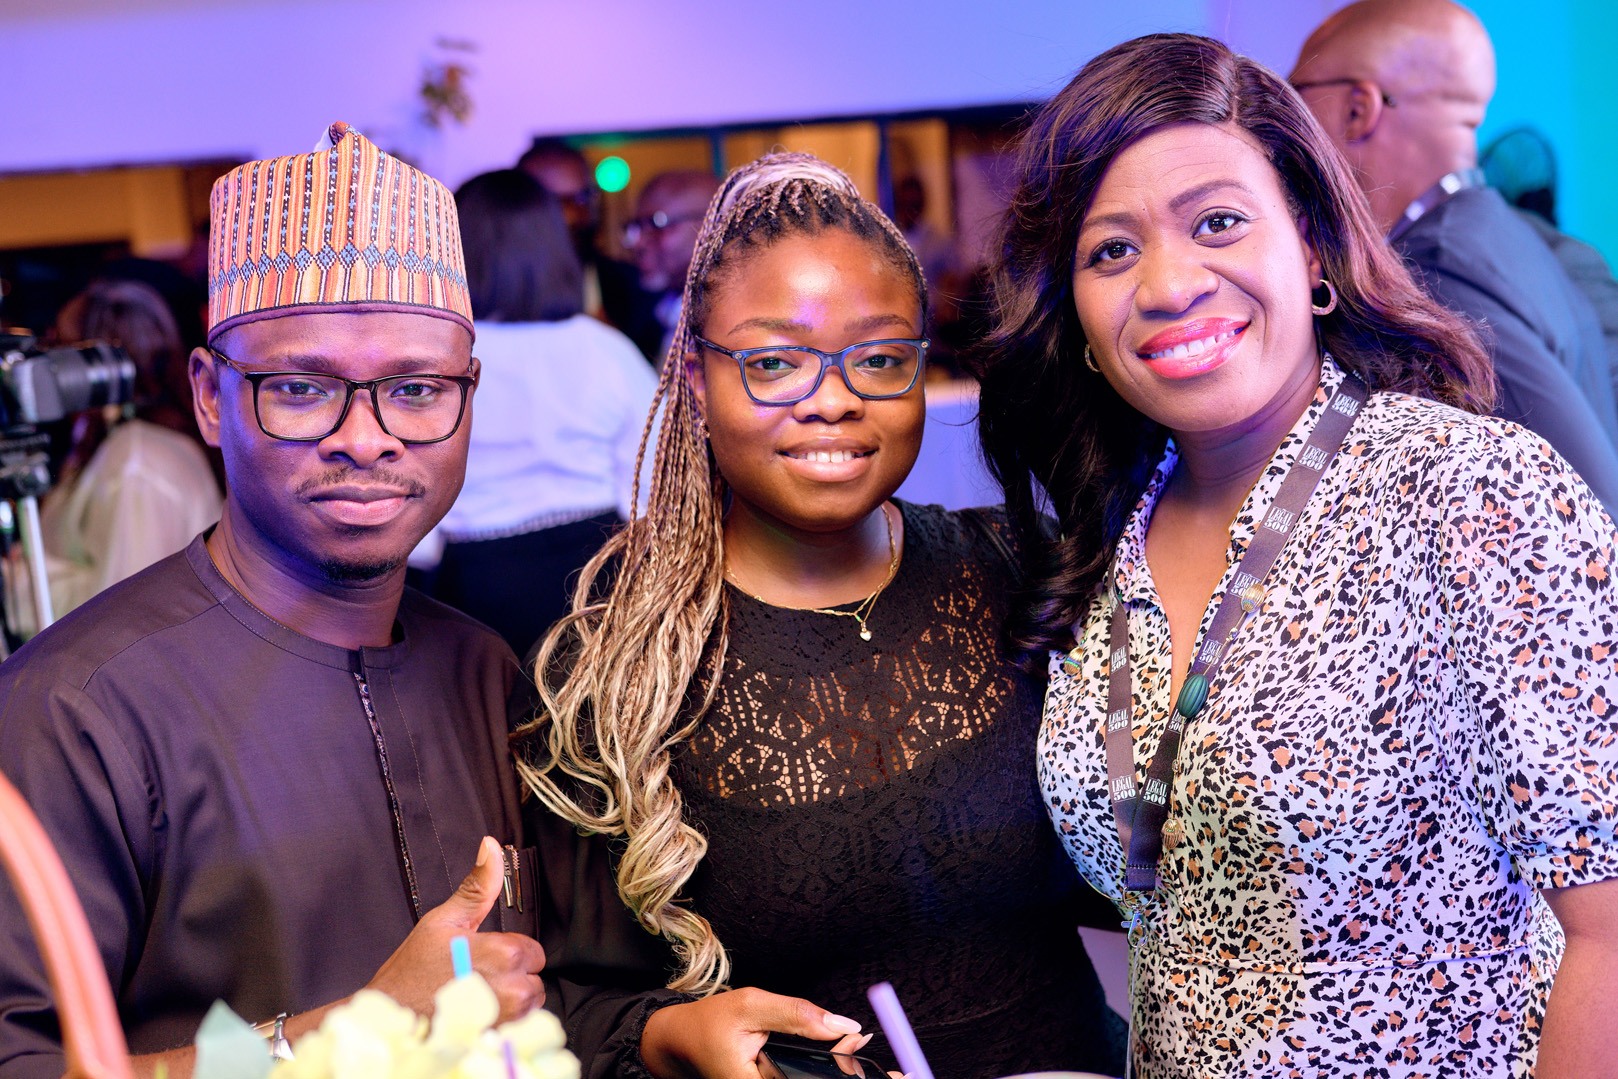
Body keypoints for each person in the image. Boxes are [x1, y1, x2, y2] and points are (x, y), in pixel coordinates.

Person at [975, 32, 1618, 1076]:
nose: (1169, 283)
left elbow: (1611, 928)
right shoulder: (1108, 531)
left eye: (1217, 222)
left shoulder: (1466, 490)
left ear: (1313, 247)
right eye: (1112, 251)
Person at [516, 152, 1125, 1079]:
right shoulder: (622, 665)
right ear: (695, 382)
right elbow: (572, 1000)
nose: (834, 400)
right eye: (774, 363)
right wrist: (673, 1036)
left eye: (879, 359)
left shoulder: (1020, 569)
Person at [0, 122, 545, 1079]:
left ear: (469, 395)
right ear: (211, 398)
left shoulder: (486, 672)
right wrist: (337, 1035)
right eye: (299, 388)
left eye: (418, 389)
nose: (366, 438)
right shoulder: (73, 712)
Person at [1290, 0, 1618, 514]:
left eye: (1295, 93)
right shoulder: (1518, 240)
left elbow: (1584, 513)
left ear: (1359, 108)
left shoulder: (1430, 271)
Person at [432, 168, 656, 656]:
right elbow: (650, 481)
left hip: (476, 576)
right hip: (598, 570)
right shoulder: (605, 349)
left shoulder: (440, 357)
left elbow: (416, 477)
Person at [3, 280, 221, 636]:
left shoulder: (137, 461)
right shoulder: (131, 445)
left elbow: (129, 620)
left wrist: (19, 578)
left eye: (60, 348)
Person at [623, 169, 720, 362]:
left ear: (711, 225)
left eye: (656, 224)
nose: (637, 243)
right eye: (637, 227)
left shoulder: (728, 321)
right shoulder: (661, 314)